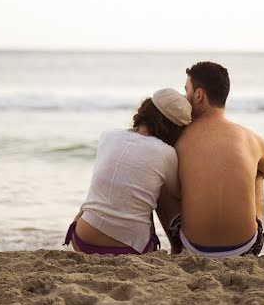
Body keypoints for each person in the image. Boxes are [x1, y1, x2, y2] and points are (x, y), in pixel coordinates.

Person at [161, 61, 264, 258]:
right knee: (257, 172)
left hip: (193, 248)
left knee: (160, 177)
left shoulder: (178, 138)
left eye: (186, 90)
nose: (184, 97)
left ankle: (175, 248)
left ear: (198, 95)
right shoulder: (251, 138)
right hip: (247, 247)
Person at [64, 88, 192, 255]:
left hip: (82, 241)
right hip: (130, 249)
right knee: (157, 187)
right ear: (174, 128)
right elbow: (177, 193)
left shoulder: (108, 135)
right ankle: (177, 247)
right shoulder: (166, 153)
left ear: (144, 110)